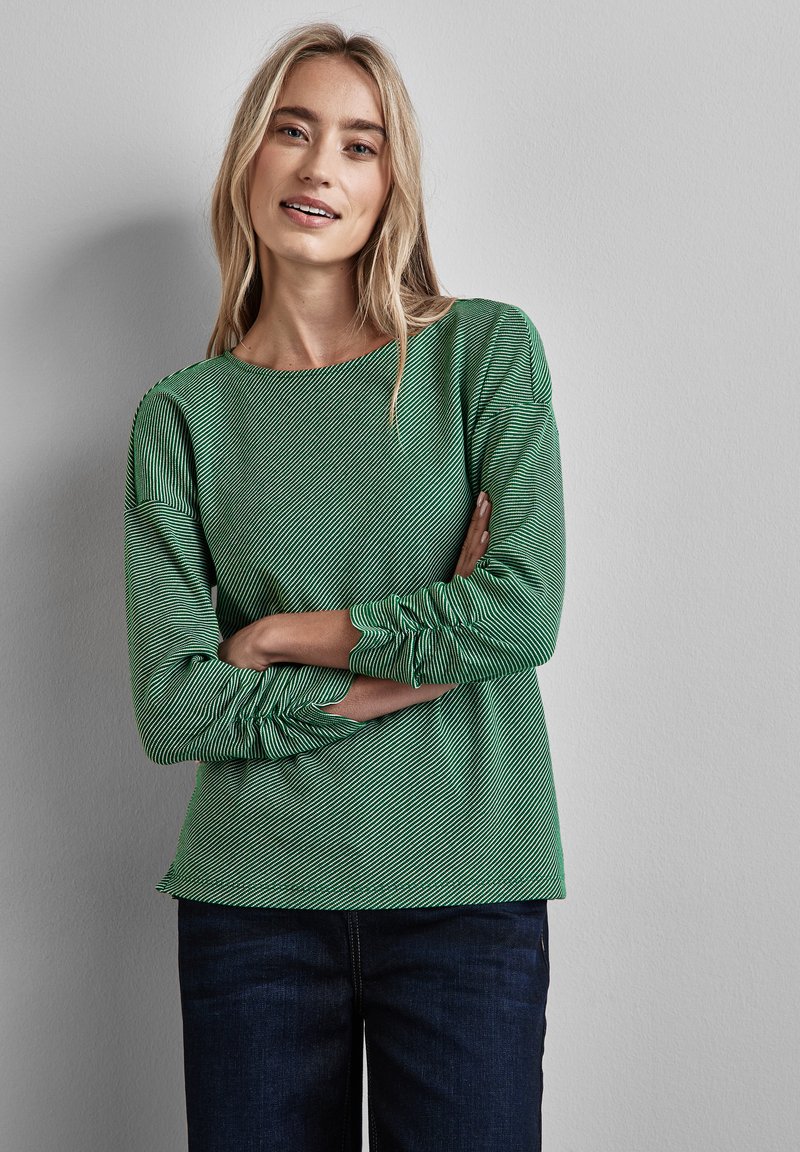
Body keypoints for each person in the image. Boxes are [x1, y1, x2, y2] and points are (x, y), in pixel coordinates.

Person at [123, 20, 566, 1152]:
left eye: (359, 145)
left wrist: (278, 636)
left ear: (389, 186)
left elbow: (519, 610)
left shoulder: (481, 354)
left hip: (464, 890)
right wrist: (403, 679)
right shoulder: (182, 417)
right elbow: (175, 707)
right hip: (251, 904)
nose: (320, 166)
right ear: (248, 160)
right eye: (293, 130)